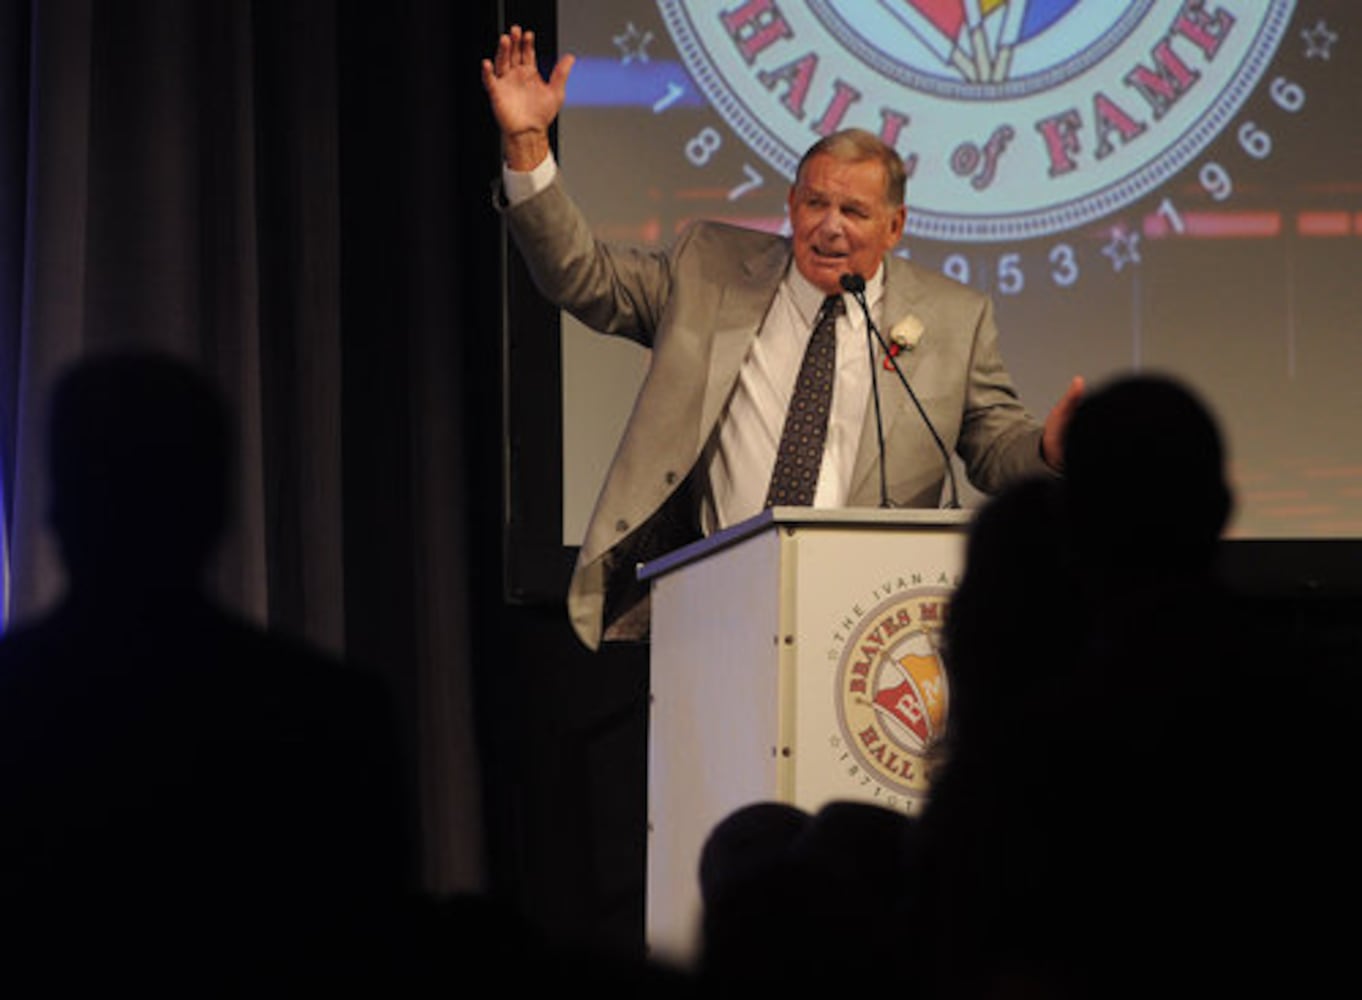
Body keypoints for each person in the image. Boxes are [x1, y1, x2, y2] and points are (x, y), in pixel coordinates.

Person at [483, 25, 1083, 650]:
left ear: (895, 226)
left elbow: (992, 445)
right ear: (792, 205)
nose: (829, 228)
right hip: (714, 602)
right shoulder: (707, 270)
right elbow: (582, 277)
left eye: (853, 213)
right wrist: (527, 146)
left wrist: (1049, 450)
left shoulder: (955, 318)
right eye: (815, 204)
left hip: (868, 623)